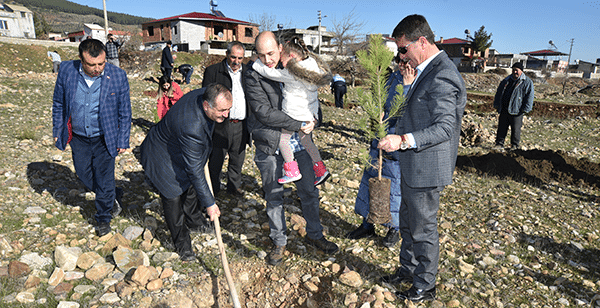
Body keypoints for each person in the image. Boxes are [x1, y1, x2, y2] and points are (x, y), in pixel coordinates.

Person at [377, 15, 466, 302]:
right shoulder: (425, 70)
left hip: (427, 168)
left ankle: (425, 286)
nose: (400, 55)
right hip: (413, 165)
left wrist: (403, 140)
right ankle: (407, 270)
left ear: (422, 42)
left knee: (422, 228)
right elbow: (417, 113)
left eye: (403, 49)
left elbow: (445, 127)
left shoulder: (442, 74)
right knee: (407, 221)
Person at [245, 31, 339, 266]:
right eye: (261, 54)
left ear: (280, 47)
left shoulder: (295, 66)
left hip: (300, 143)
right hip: (270, 144)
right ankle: (279, 241)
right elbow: (264, 112)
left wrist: (315, 118)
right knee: (274, 196)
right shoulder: (253, 74)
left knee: (309, 192)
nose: (267, 59)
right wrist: (298, 124)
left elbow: (311, 97)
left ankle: (315, 235)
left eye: (270, 53)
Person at [139, 83, 232, 261]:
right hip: (162, 157)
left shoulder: (205, 94)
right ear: (207, 105)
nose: (226, 115)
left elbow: (194, 170)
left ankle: (195, 221)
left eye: (228, 109)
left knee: (189, 188)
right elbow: (196, 171)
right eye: (222, 111)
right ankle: (183, 245)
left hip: (181, 149)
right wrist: (210, 204)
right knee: (173, 197)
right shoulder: (192, 126)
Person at [52, 38, 131, 237]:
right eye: (92, 64)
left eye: (101, 63)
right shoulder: (67, 70)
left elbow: (125, 111)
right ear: (81, 59)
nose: (97, 68)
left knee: (104, 178)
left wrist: (123, 139)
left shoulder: (118, 75)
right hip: (78, 136)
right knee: (83, 174)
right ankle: (112, 195)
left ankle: (104, 216)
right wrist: (57, 129)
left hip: (105, 136)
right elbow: (59, 103)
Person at [347, 57, 415, 248]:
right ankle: (368, 223)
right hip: (379, 136)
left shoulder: (416, 80)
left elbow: (411, 112)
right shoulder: (391, 78)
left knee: (393, 186)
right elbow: (380, 101)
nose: (402, 65)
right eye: (399, 61)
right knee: (371, 177)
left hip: (397, 141)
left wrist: (408, 86)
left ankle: (394, 228)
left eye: (406, 61)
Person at [252, 36, 331, 185]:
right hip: (308, 113)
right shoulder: (313, 66)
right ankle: (321, 169)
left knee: (283, 140)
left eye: (283, 61)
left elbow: (271, 74)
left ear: (292, 57)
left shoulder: (293, 73)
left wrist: (257, 63)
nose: (283, 64)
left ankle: (291, 170)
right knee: (307, 141)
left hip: (294, 114)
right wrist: (313, 117)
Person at [202, 41, 249, 197]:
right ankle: (213, 190)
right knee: (216, 160)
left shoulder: (249, 73)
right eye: (233, 57)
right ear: (227, 54)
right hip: (220, 125)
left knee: (237, 160)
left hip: (241, 125)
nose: (236, 62)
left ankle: (234, 188)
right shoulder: (213, 71)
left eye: (240, 58)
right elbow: (206, 99)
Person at [493, 62, 534, 151]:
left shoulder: (527, 82)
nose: (514, 72)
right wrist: (497, 104)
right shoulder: (506, 80)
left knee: (516, 130)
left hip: (517, 110)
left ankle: (514, 146)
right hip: (504, 108)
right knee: (502, 128)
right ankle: (499, 144)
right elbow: (499, 93)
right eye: (513, 70)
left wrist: (526, 108)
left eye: (516, 70)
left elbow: (530, 96)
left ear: (521, 71)